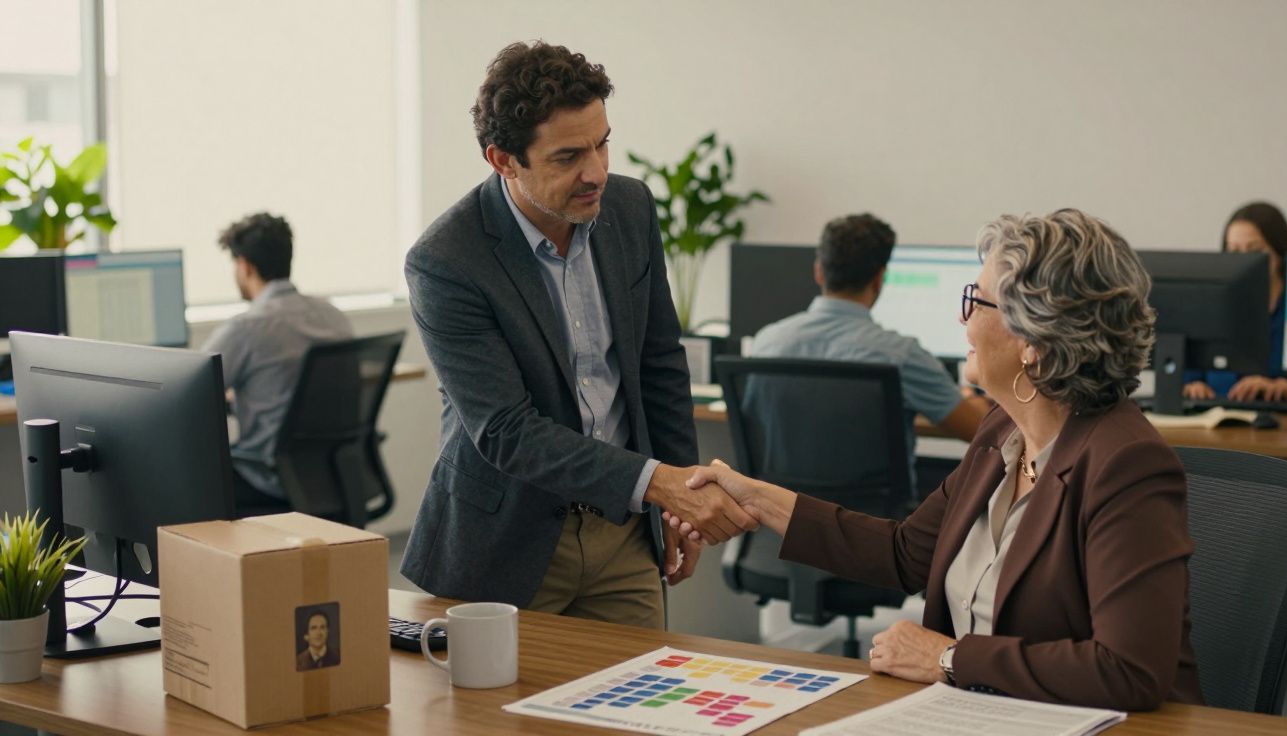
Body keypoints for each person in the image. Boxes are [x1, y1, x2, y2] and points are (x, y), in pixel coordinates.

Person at [669, 210, 1204, 710]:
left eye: (977, 299)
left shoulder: (1126, 465)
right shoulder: (1002, 431)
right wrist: (755, 496)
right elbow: (906, 554)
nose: (961, 315)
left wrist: (947, 658)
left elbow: (1129, 671)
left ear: (1033, 340)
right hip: (988, 714)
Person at [402, 41, 754, 629]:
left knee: (642, 712)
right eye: (567, 156)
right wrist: (661, 485)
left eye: (602, 142)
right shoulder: (447, 260)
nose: (596, 172)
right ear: (503, 159)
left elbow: (658, 360)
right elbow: (506, 431)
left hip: (624, 534)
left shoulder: (631, 207)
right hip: (507, 538)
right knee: (499, 721)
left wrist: (678, 504)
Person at [751, 213, 991, 486]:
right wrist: (972, 398)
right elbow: (980, 430)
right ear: (880, 278)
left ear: (819, 271)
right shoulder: (901, 355)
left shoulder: (765, 343)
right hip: (870, 523)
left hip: (779, 517)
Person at [203, 212, 353, 510]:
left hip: (268, 480)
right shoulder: (333, 314)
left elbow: (188, 392)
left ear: (244, 266)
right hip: (332, 476)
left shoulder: (246, 328)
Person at [1183, 201, 1287, 401]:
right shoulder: (1211, 309)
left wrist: (1285, 389)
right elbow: (1185, 380)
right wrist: (1193, 389)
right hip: (1221, 423)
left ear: (1279, 254)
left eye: (1255, 251)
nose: (1244, 262)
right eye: (1234, 251)